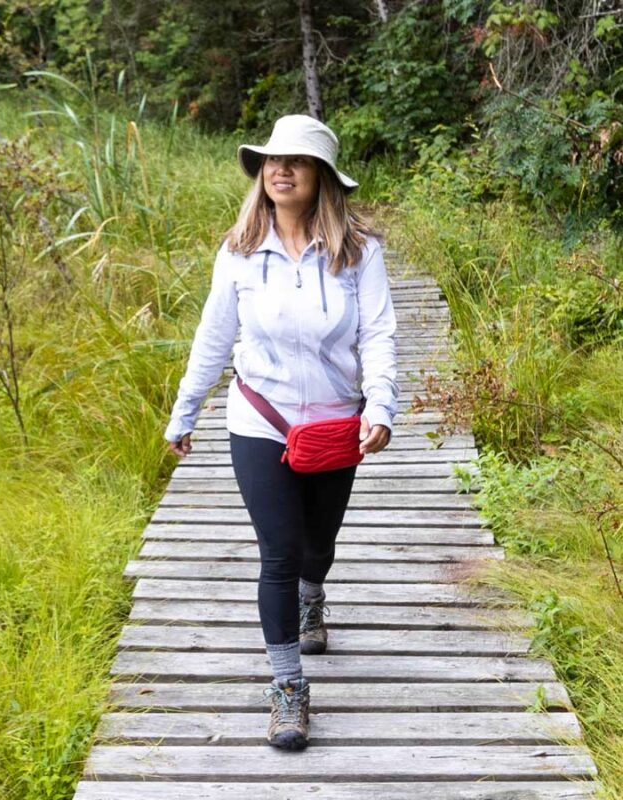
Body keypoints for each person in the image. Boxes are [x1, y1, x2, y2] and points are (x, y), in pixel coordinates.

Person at [164, 114, 398, 751]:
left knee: (316, 548)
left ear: (321, 176)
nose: (281, 169)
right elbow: (213, 338)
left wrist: (381, 406)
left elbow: (377, 333)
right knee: (279, 553)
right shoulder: (238, 252)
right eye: (272, 160)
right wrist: (184, 412)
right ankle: (289, 689)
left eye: (296, 161)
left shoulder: (359, 251)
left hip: (334, 423)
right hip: (258, 420)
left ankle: (312, 597)